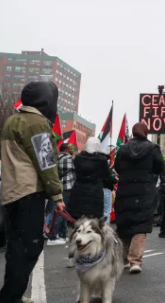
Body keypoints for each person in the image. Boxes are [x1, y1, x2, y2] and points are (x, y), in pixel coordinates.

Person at [0, 81, 64, 303]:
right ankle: (10, 296)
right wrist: (57, 195)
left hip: (10, 192)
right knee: (30, 247)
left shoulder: (12, 120)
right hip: (30, 192)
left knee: (15, 248)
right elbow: (46, 163)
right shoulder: (37, 123)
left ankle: (13, 294)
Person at [114, 123, 163, 274]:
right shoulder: (152, 148)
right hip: (144, 190)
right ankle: (136, 260)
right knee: (141, 225)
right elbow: (159, 166)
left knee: (125, 224)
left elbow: (117, 167)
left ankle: (124, 259)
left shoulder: (123, 149)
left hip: (125, 190)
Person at [46, 144, 76, 246]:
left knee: (59, 211)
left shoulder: (55, 157)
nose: (72, 150)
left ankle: (62, 235)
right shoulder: (70, 158)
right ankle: (53, 236)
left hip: (55, 188)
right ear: (66, 149)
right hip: (66, 187)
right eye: (71, 148)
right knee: (61, 212)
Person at [103, 152, 118, 223]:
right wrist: (115, 180)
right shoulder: (104, 166)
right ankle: (105, 230)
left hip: (95, 189)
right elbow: (109, 178)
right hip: (106, 189)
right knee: (106, 211)